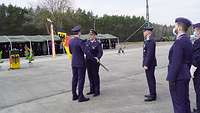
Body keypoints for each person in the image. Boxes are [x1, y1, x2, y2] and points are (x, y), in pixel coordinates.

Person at [166, 17, 193, 113]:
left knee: (178, 104)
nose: (175, 27)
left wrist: (171, 78)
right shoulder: (187, 40)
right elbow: (189, 60)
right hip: (185, 74)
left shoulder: (179, 42)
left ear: (180, 27)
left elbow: (175, 62)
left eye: (175, 25)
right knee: (185, 102)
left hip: (178, 77)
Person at [69, 25, 90, 102]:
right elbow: (85, 52)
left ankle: (74, 95)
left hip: (73, 62)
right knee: (81, 79)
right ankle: (80, 96)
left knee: (74, 79)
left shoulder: (70, 41)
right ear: (79, 32)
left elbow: (71, 52)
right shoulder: (80, 41)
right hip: (81, 63)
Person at [85, 29, 103, 97]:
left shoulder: (98, 43)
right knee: (90, 76)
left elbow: (100, 52)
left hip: (95, 62)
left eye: (92, 34)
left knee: (95, 76)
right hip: (88, 61)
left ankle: (97, 91)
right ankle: (92, 89)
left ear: (95, 35)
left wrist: (98, 58)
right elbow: (86, 51)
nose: (90, 36)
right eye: (90, 34)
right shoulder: (87, 42)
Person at [143, 26, 157, 102]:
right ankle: (151, 92)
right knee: (150, 79)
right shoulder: (147, 40)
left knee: (151, 79)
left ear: (148, 32)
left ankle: (153, 95)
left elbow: (150, 54)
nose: (143, 33)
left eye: (144, 31)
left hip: (150, 64)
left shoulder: (151, 41)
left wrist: (146, 64)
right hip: (149, 64)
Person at [192, 23, 200, 113]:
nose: (195, 32)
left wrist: (192, 69)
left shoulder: (198, 42)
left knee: (198, 90)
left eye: (196, 30)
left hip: (198, 71)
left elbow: (197, 57)